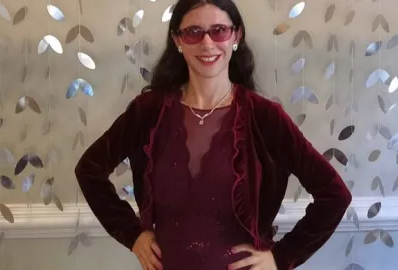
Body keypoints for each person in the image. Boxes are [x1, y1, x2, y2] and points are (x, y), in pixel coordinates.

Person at [74, 0, 352, 269]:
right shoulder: (149, 112)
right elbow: (90, 170)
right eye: (193, 32)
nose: (207, 43)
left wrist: (281, 257)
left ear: (236, 36)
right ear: (177, 40)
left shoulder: (265, 117)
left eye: (219, 30)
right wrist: (132, 234)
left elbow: (334, 194)